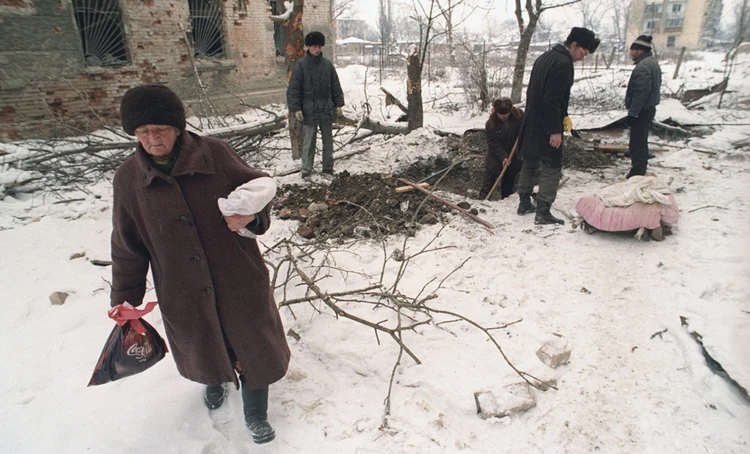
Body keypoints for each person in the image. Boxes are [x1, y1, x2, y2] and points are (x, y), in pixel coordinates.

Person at [110, 84, 290, 445]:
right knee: (201, 337)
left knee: (252, 341)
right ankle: (213, 378)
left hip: (236, 272)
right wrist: (125, 299)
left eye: (160, 129)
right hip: (180, 284)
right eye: (143, 132)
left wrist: (251, 218)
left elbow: (258, 190)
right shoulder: (129, 179)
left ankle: (255, 413)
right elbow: (127, 245)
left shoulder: (215, 154)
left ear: (177, 128)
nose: (152, 138)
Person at [516, 27, 600, 225]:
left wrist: (564, 117)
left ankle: (523, 203)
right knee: (552, 166)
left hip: (532, 121)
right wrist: (555, 130)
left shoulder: (545, 57)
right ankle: (543, 211)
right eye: (583, 52)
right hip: (546, 124)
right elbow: (552, 100)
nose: (582, 58)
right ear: (573, 45)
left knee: (530, 161)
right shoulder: (563, 63)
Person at [286, 31, 345, 179]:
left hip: (326, 107)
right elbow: (293, 90)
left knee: (328, 141)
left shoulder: (327, 65)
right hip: (308, 109)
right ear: (308, 47)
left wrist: (338, 104)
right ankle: (306, 169)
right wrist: (296, 108)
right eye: (313, 46)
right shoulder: (301, 66)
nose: (317, 49)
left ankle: (327, 168)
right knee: (309, 141)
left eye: (319, 46)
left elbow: (335, 86)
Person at [625, 35, 661, 178]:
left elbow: (641, 92)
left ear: (640, 51)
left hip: (641, 111)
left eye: (632, 50)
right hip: (647, 109)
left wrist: (633, 113)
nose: (630, 53)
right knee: (641, 139)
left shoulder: (643, 67)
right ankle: (640, 167)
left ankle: (637, 171)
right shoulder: (652, 63)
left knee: (637, 142)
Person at [479, 97, 524, 200]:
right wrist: (503, 157)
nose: (503, 116)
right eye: (500, 114)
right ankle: (483, 200)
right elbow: (493, 143)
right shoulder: (491, 123)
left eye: (505, 114)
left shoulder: (519, 115)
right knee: (489, 176)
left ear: (510, 110)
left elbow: (526, 128)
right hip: (496, 153)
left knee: (509, 177)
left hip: (514, 152)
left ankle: (506, 200)